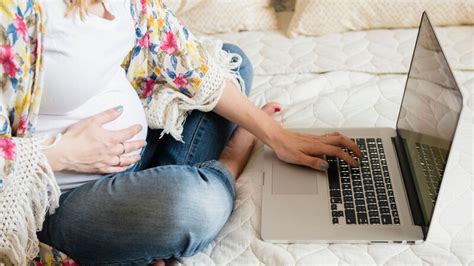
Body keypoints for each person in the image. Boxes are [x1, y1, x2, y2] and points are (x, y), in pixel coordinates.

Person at [0, 0, 361, 264]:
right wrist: (63, 153)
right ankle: (228, 164)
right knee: (194, 206)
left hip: (136, 153)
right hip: (64, 198)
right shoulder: (13, 15)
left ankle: (144, 221)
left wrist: (278, 138)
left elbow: (187, 60)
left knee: (233, 60)